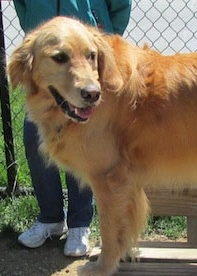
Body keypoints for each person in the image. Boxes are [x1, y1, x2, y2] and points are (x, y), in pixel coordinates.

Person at [14, 0, 132, 257]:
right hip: (47, 52)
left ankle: (80, 224)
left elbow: (120, 4)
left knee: (89, 149)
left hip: (88, 51)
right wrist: (35, 28)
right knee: (34, 139)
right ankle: (50, 218)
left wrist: (104, 33)